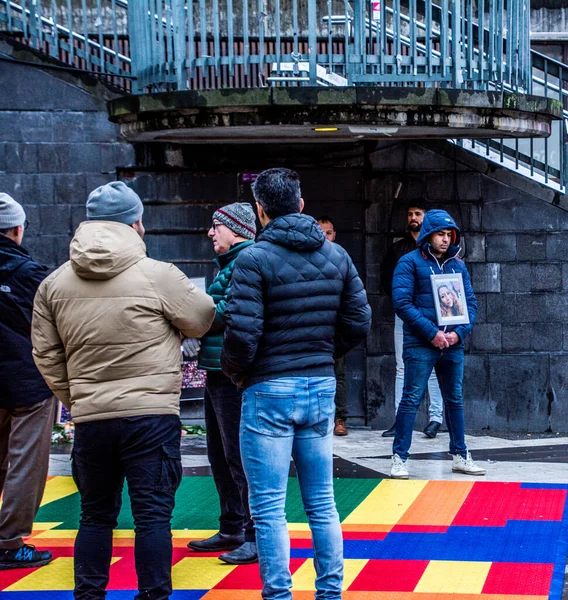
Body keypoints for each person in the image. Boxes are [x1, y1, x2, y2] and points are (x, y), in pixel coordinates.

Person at [31, 182, 215, 599]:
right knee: (153, 518)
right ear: (137, 223)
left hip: (92, 418)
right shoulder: (158, 275)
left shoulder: (54, 284)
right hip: (151, 417)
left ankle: (89, 595)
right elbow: (202, 319)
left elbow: (45, 354)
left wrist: (76, 398)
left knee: (94, 516)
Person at [221, 168, 372, 600]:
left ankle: (279, 594)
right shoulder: (336, 256)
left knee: (268, 507)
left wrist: (238, 372)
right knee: (322, 503)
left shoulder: (252, 259)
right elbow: (359, 321)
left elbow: (241, 333)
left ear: (259, 210)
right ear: (301, 205)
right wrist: (325, 353)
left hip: (267, 388)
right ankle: (330, 593)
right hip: (319, 385)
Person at [390, 209, 485, 480]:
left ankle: (460, 455)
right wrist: (432, 332)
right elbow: (402, 303)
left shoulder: (457, 264)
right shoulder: (408, 262)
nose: (445, 240)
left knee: (454, 399)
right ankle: (399, 458)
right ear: (428, 234)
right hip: (421, 343)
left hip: (452, 343)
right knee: (411, 398)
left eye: (449, 235)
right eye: (440, 234)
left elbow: (471, 304)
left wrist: (458, 334)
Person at [187, 203, 258, 565]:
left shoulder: (246, 262)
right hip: (217, 371)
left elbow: (225, 312)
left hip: (233, 374)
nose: (211, 233)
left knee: (238, 456)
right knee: (218, 453)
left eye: (216, 226)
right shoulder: (229, 265)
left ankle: (252, 533)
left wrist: (189, 312)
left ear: (236, 229)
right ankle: (232, 525)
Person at [0, 194, 53, 570]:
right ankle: (9, 541)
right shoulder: (30, 273)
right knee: (25, 463)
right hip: (28, 381)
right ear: (17, 230)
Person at [380, 202, 444, 439]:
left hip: (432, 313)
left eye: (417, 213)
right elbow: (387, 280)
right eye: (410, 214)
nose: (413, 217)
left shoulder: (438, 247)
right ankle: (400, 420)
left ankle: (435, 419)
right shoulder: (399, 249)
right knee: (401, 366)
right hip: (406, 314)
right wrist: (403, 302)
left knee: (435, 366)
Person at [316, 215, 348, 437]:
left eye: (329, 232)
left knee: (339, 374)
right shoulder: (309, 256)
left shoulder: (342, 259)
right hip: (314, 324)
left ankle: (340, 419)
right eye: (321, 232)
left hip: (335, 325)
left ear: (334, 235)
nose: (325, 237)